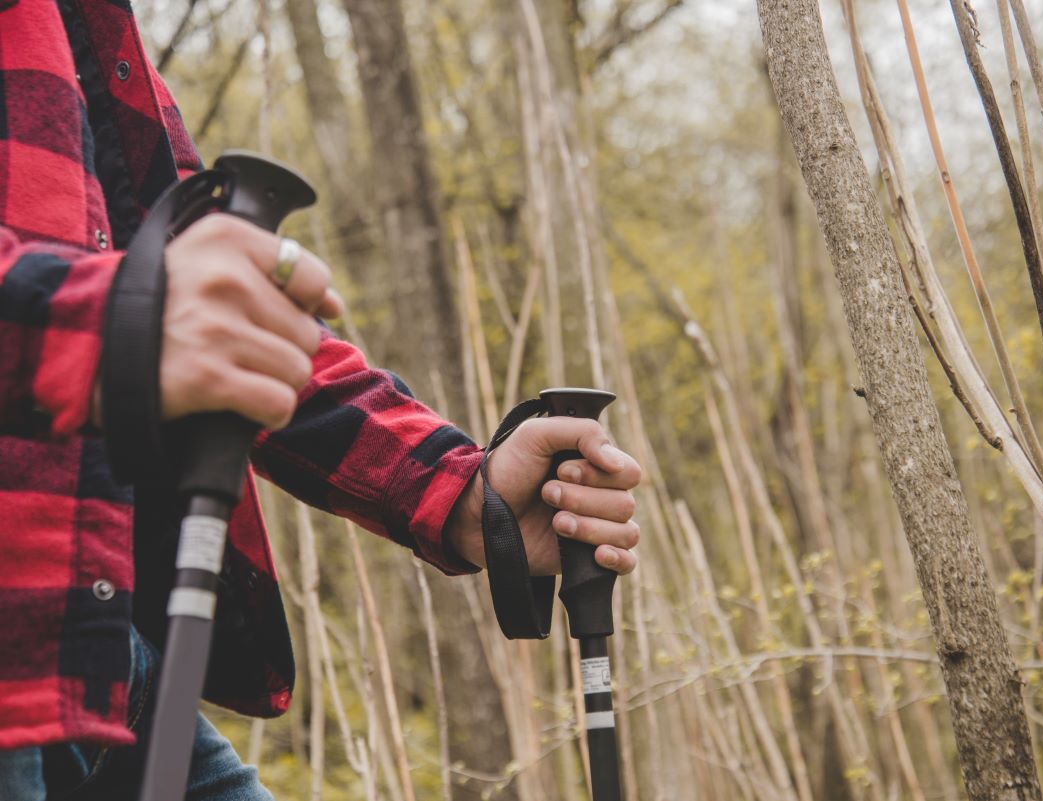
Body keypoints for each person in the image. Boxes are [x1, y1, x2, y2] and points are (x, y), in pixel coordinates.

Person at [0, 2, 641, 799]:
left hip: (100, 663)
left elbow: (215, 324)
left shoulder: (87, 35)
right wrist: (107, 329)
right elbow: (140, 317)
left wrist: (463, 493)